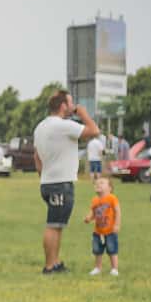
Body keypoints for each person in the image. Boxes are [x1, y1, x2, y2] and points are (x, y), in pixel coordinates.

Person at [35, 90, 100, 273]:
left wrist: (43, 175)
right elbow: (94, 130)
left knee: (58, 225)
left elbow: (36, 156)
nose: (73, 106)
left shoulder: (40, 127)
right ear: (63, 106)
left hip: (48, 181)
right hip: (60, 182)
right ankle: (49, 266)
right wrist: (83, 113)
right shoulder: (63, 125)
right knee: (53, 225)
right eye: (70, 103)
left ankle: (55, 262)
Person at [84, 174, 121, 276]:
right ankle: (98, 268)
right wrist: (89, 218)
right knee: (97, 250)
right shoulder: (95, 200)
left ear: (109, 188)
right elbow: (93, 212)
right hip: (98, 231)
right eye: (96, 183)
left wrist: (117, 225)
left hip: (110, 231)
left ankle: (114, 268)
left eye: (102, 183)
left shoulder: (112, 198)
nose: (98, 184)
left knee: (112, 249)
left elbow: (118, 211)